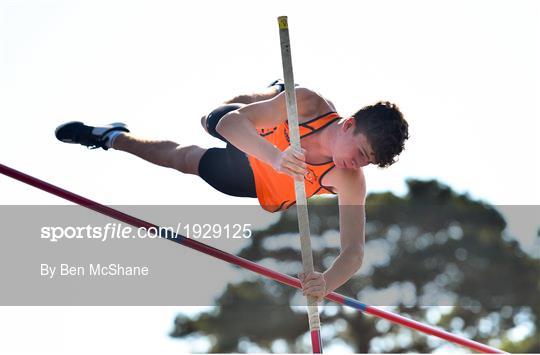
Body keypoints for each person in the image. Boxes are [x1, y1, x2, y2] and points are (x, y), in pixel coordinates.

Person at [55, 80, 409, 301]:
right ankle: (272, 91)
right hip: (256, 142)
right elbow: (230, 124)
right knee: (212, 120)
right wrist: (275, 157)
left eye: (368, 162)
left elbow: (354, 251)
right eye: (360, 153)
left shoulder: (349, 180)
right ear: (348, 126)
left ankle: (111, 137)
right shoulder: (309, 106)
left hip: (252, 180)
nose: (357, 164)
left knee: (182, 159)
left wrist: (326, 282)